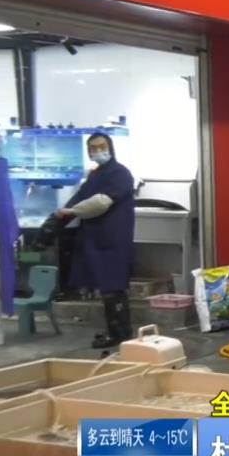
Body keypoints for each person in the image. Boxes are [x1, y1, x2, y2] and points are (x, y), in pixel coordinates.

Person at [55, 133, 136, 350]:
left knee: (114, 287)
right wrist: (56, 220)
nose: (98, 151)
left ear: (110, 147)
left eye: (102, 146)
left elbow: (100, 203)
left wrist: (71, 211)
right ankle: (116, 332)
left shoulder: (120, 173)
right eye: (93, 148)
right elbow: (80, 198)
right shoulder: (95, 175)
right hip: (95, 238)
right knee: (106, 288)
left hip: (114, 240)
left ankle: (120, 334)